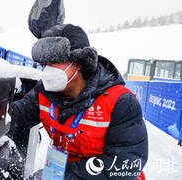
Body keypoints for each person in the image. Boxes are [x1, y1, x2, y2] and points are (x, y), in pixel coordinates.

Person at [9, 24, 148, 179]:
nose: (47, 70)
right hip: (60, 170)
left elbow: (126, 163)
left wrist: (65, 177)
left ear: (79, 62)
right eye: (44, 64)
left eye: (53, 62)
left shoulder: (120, 103)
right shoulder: (44, 93)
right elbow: (15, 117)